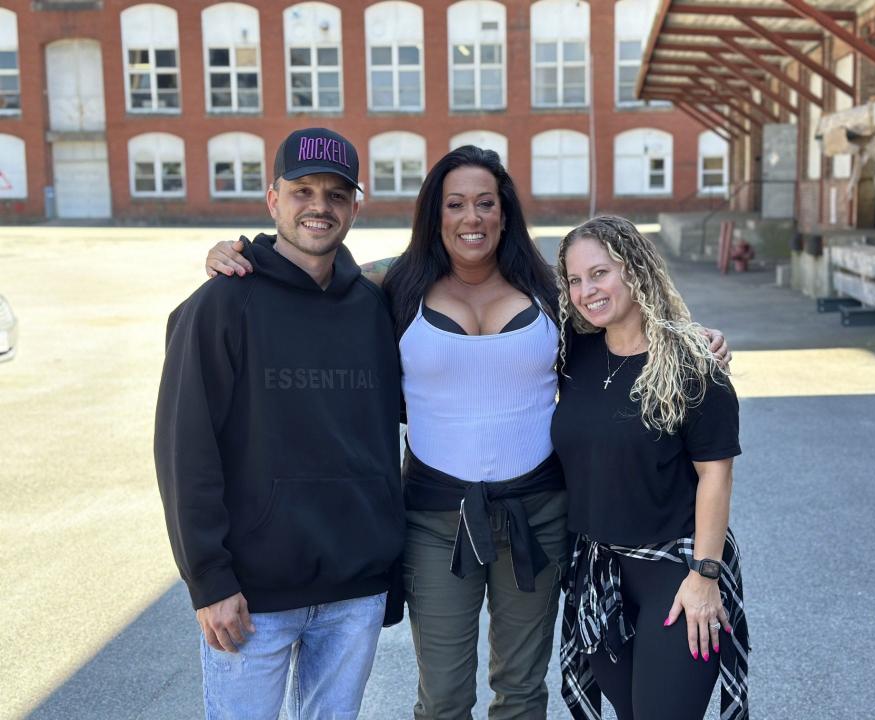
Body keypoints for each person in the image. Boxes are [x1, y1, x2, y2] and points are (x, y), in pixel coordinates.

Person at [203, 146, 731, 719]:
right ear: (436, 214)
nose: (470, 217)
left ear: (505, 213)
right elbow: (318, 267)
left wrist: (686, 335)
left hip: (539, 516)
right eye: (455, 204)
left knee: (522, 689)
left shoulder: (550, 290)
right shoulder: (393, 284)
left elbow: (619, 318)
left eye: (485, 203)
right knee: (444, 696)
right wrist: (242, 252)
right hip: (435, 518)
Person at [154, 127, 405, 720]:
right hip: (251, 597)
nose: (320, 206)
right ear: (273, 200)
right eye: (303, 191)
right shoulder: (220, 305)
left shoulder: (374, 307)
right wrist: (208, 580)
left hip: (354, 589)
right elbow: (184, 450)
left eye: (337, 194)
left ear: (355, 207)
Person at [551, 215, 749, 720]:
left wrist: (705, 576)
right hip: (600, 575)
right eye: (575, 280)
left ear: (635, 270)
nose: (586, 291)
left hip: (678, 574)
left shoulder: (692, 364)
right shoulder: (574, 353)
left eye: (600, 274)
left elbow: (715, 475)